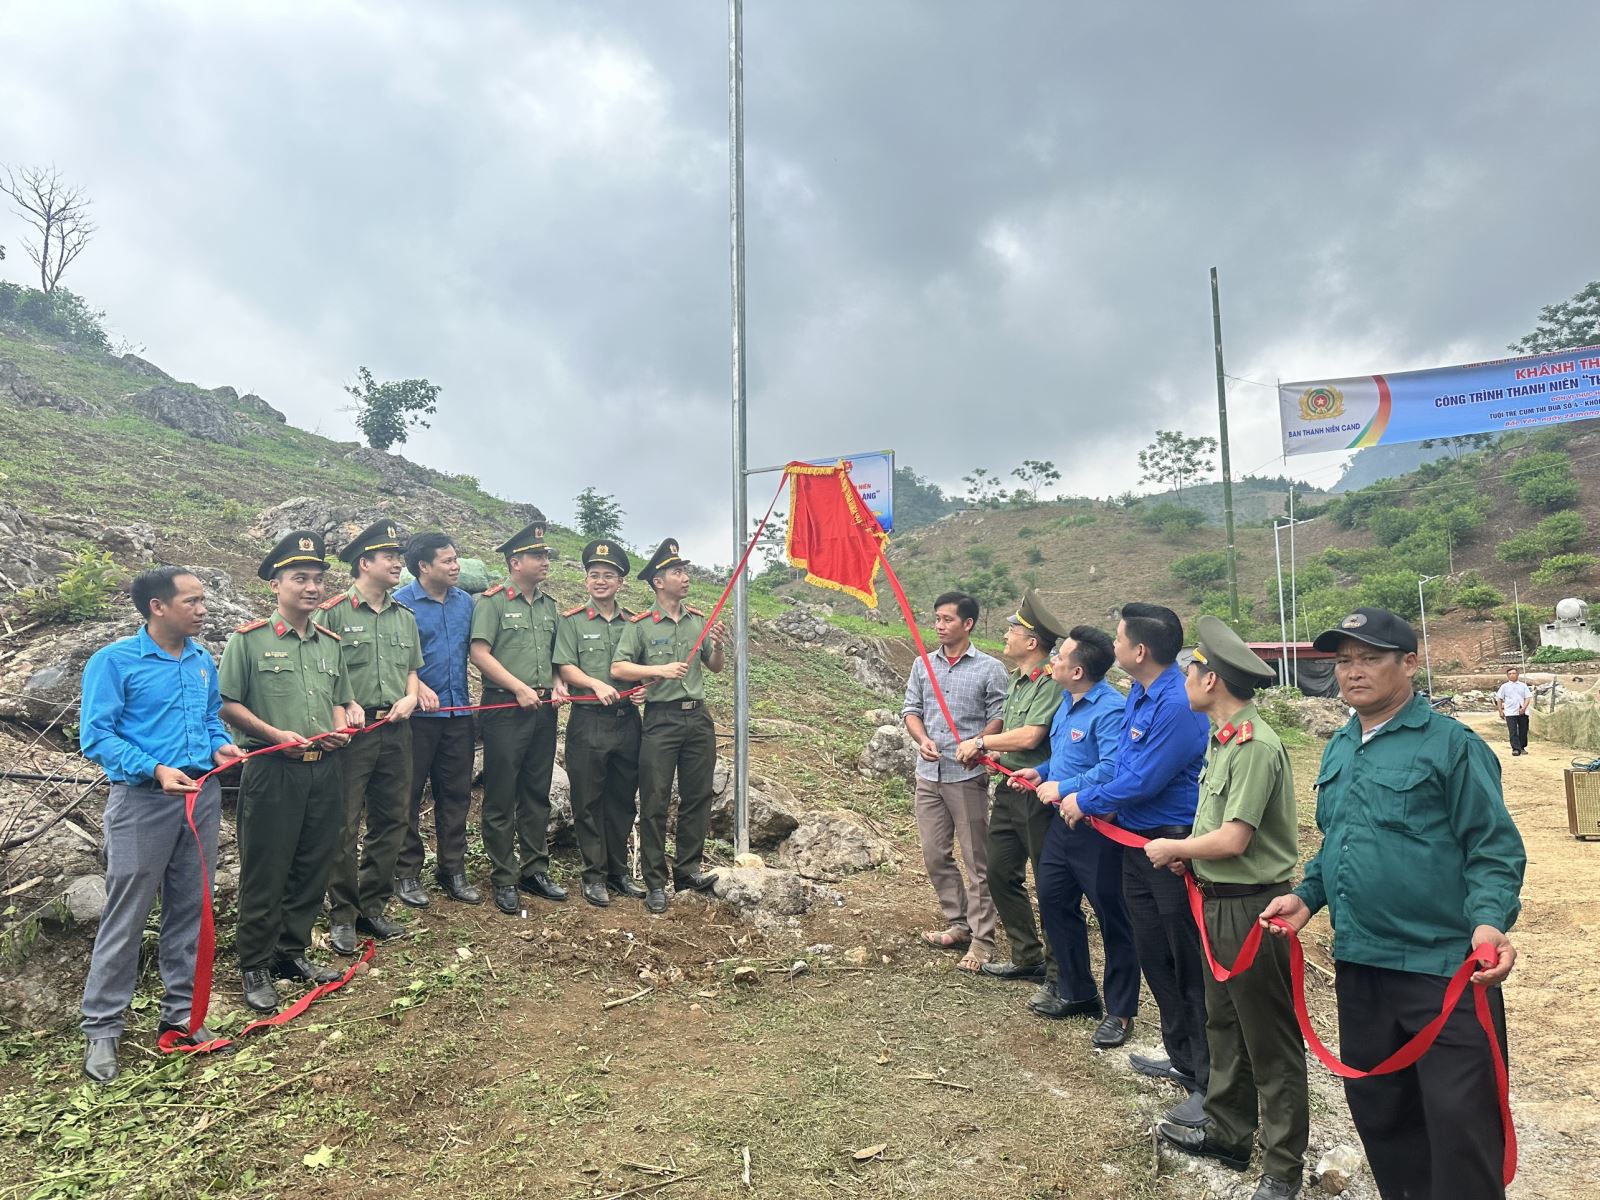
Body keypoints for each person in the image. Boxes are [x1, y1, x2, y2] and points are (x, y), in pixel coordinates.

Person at [1261, 607, 1525, 1200]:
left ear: (1409, 662)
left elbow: (1493, 849)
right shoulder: (1341, 746)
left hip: (1443, 972)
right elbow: (1341, 841)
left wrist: (1488, 923)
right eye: (1344, 661)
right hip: (1361, 965)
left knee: (1462, 1127)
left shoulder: (1452, 747)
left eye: (1370, 658)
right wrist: (1307, 897)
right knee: (1384, 1116)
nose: (1353, 672)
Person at [1145, 617, 1308, 1200]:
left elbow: (1234, 839)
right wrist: (1194, 859)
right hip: (1217, 902)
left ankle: (1284, 1166)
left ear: (1210, 679)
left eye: (1191, 669)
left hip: (1253, 909)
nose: (1185, 677)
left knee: (1269, 1039)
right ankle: (1229, 1132)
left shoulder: (1256, 746)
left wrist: (1176, 848)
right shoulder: (1223, 739)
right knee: (1224, 1025)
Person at [76, 567, 246, 1081]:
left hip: (201, 798)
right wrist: (153, 768)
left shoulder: (199, 660)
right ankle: (102, 1028)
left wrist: (219, 744)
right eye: (192, 601)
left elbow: (211, 717)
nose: (203, 609)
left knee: (190, 908)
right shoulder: (114, 662)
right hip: (143, 802)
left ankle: (182, 1017)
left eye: (203, 600)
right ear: (157, 606)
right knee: (126, 914)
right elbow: (96, 736)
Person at [1059, 602, 1210, 1125]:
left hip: (1169, 846)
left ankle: (1207, 1081)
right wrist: (1086, 790)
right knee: (1153, 952)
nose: (1114, 646)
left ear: (1140, 651)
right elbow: (1123, 764)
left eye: (1120, 640)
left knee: (1183, 957)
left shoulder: (1176, 702)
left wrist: (1085, 800)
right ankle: (1182, 1054)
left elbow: (1144, 779)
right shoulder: (1140, 695)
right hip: (1134, 843)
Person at [219, 531, 357, 1013]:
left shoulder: (329, 643)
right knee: (267, 868)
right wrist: (276, 735)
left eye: (318, 579)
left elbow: (341, 699)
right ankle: (254, 962)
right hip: (273, 770)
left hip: (326, 770)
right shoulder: (250, 641)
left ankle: (290, 954)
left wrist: (341, 727)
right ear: (276, 585)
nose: (312, 588)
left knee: (313, 863)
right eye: (300, 578)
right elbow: (228, 704)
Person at [1015, 624, 1140, 1048]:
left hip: (1098, 829)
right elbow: (1065, 759)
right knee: (1052, 900)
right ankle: (1077, 990)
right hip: (1061, 825)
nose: (1053, 661)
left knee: (1112, 915)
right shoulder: (1069, 703)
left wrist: (1065, 787)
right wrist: (1041, 773)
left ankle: (1121, 1011)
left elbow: (1112, 767)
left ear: (1079, 671)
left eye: (1061, 658)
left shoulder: (1110, 710)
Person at [318, 519, 422, 954]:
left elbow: (413, 671)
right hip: (352, 736)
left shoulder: (404, 616)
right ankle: (342, 914)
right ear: (365, 563)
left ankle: (373, 906)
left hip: (397, 729)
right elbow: (318, 674)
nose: (398, 563)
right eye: (390, 557)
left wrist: (412, 698)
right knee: (343, 823)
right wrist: (342, 709)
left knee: (392, 818)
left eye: (398, 557)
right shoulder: (333, 612)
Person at [612, 538, 727, 914]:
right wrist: (658, 670)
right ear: (658, 582)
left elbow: (714, 667)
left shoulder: (697, 620)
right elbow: (619, 667)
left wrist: (720, 646)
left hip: (698, 717)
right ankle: (655, 881)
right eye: (677, 572)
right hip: (661, 720)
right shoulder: (642, 625)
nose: (685, 577)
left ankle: (688, 870)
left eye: (685, 571)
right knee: (656, 800)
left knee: (698, 796)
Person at [955, 590, 1062, 991]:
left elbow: (1031, 736)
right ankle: (1027, 955)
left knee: (1050, 882)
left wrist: (982, 744)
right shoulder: (1019, 681)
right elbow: (1006, 728)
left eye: (1013, 629)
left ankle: (1058, 968)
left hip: (1038, 792)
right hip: (1009, 788)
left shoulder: (1050, 681)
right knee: (1000, 872)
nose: (1006, 634)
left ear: (1032, 642)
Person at [902, 591, 1008, 973]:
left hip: (967, 776)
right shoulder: (922, 665)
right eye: (937, 618)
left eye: (947, 619)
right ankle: (959, 923)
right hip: (929, 774)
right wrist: (921, 738)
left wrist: (978, 743)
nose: (939, 626)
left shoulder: (990, 668)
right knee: (934, 853)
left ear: (968, 624)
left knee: (976, 859)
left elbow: (998, 716)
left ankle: (983, 941)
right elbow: (911, 710)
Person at [471, 519, 568, 915]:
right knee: (501, 794)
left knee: (536, 791)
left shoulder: (550, 606)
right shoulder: (492, 602)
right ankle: (504, 875)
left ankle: (534, 868)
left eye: (545, 555)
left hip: (544, 710)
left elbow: (555, 656)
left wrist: (558, 682)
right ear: (515, 561)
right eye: (537, 555)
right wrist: (518, 687)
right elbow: (479, 653)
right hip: (504, 709)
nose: (545, 561)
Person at [555, 540, 644, 908]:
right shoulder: (573, 621)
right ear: (586, 580)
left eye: (608, 576)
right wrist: (593, 683)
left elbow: (646, 666)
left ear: (620, 582)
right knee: (588, 800)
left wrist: (642, 692)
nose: (601, 581)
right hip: (588, 722)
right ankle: (593, 875)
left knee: (623, 800)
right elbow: (564, 665)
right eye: (594, 575)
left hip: (627, 723)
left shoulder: (634, 624)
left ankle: (618, 871)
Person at [394, 532, 481, 905]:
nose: (455, 565)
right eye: (447, 560)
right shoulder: (399, 605)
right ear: (423, 566)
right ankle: (407, 872)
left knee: (456, 794)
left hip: (459, 714)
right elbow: (391, 659)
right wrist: (416, 688)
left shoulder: (466, 603)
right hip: (416, 717)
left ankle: (452, 869)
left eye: (456, 558)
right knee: (409, 793)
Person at [1496, 666, 1532, 756]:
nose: (1512, 675)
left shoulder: (1523, 686)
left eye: (1514, 673)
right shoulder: (1504, 687)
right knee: (1513, 730)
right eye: (1510, 674)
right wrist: (1500, 711)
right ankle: (1515, 749)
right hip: (1510, 711)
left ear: (1517, 675)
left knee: (1523, 729)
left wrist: (1524, 708)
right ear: (1507, 676)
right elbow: (1499, 699)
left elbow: (1528, 697)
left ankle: (1522, 747)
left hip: (1522, 710)